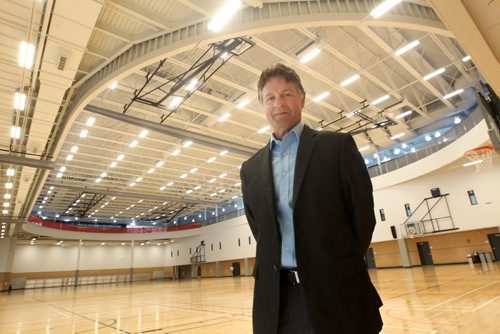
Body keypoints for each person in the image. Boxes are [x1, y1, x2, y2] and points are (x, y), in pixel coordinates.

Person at [240, 63, 383, 334]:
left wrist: (334, 263)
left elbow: (362, 216)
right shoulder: (250, 168)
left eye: (287, 94)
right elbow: (261, 230)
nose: (278, 103)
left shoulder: (337, 147)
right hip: (276, 300)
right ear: (262, 105)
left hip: (335, 290)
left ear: (302, 99)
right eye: (270, 97)